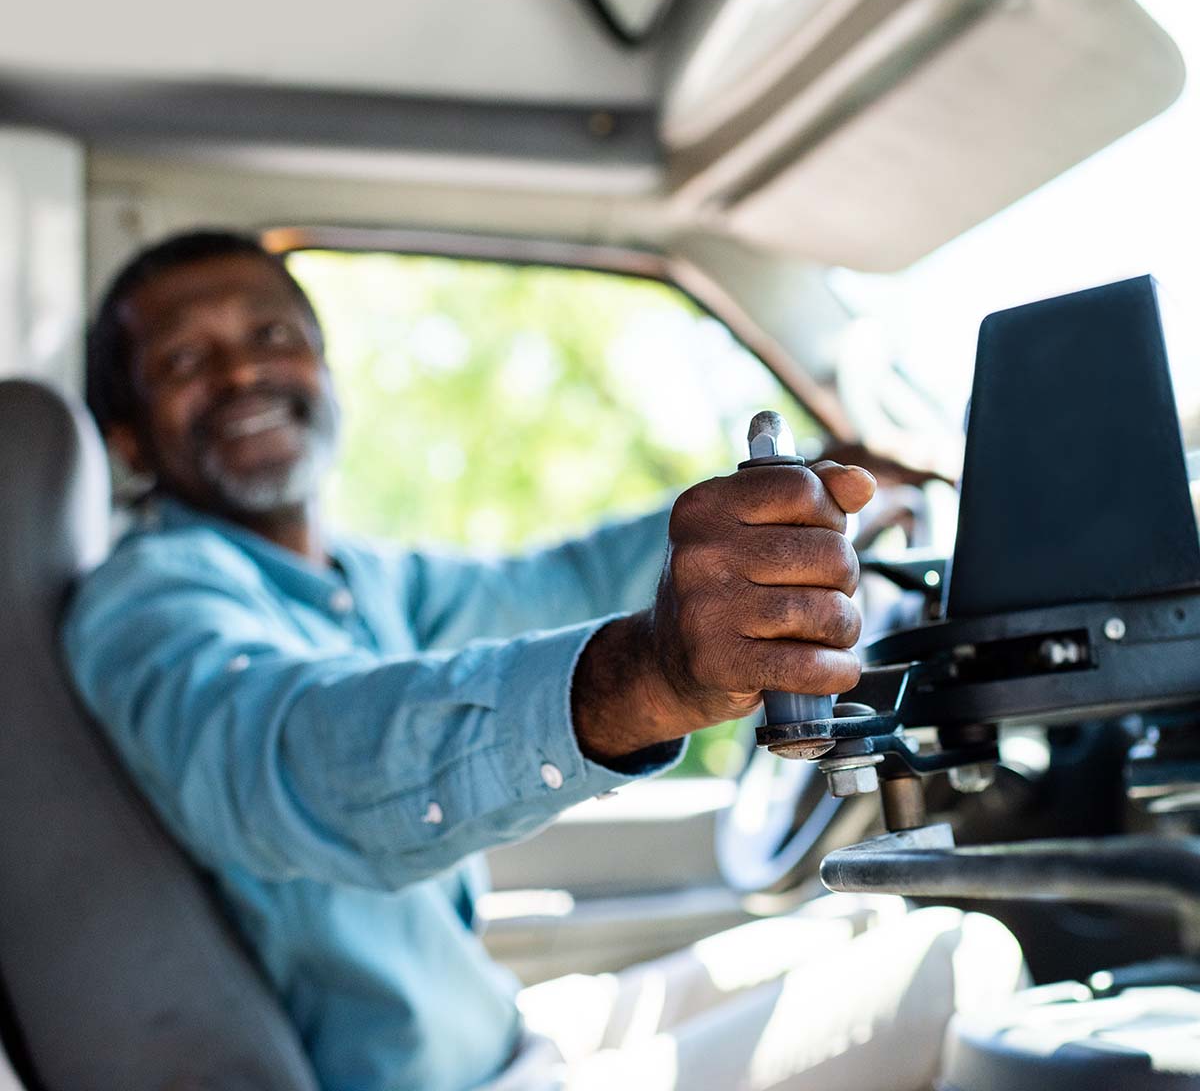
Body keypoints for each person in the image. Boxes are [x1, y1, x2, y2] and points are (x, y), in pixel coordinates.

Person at [63, 230, 1022, 1091]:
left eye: (273, 338)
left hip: (502, 1036)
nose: (243, 375)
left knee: (864, 923)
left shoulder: (354, 577)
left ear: (323, 367)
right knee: (954, 962)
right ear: (128, 436)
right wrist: (651, 677)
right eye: (188, 359)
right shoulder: (149, 604)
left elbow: (560, 583)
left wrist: (806, 500)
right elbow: (301, 752)